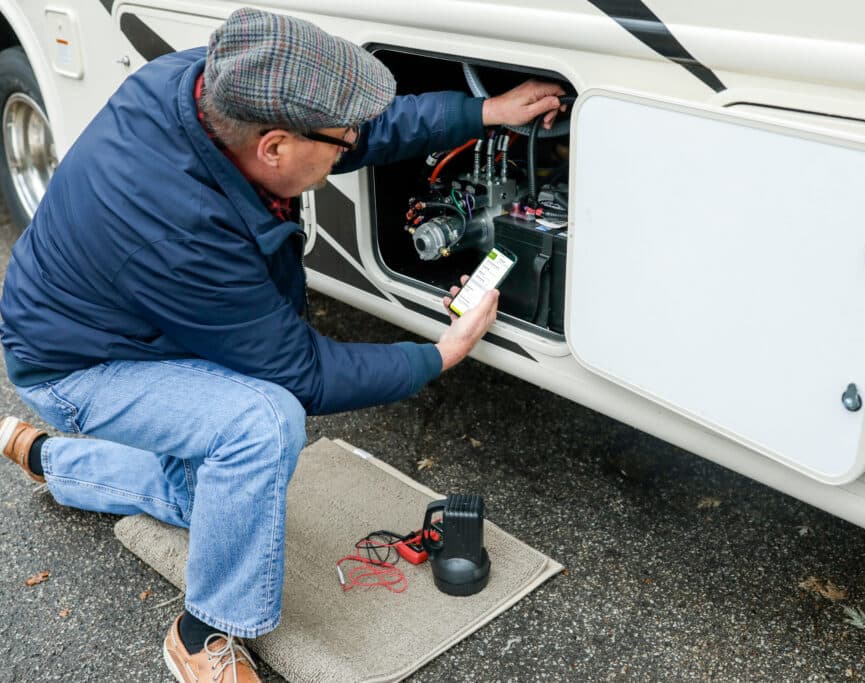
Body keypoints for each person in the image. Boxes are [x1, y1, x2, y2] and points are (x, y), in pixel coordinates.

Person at [0, 7, 564, 682]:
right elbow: (299, 371)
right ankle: (202, 631)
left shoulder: (211, 91)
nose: (350, 143)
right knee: (260, 426)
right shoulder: (179, 227)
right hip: (77, 365)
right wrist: (438, 354)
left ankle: (52, 460)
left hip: (134, 321)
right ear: (273, 147)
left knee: (209, 500)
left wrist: (482, 113)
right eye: (337, 139)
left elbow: (357, 130)